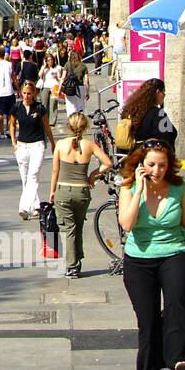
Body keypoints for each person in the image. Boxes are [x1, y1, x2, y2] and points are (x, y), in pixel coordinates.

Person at [118, 140, 185, 370]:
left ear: (170, 166)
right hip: (139, 261)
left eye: (162, 165)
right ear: (140, 165)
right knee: (148, 319)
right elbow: (127, 224)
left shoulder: (179, 188)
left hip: (175, 253)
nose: (157, 170)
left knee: (176, 305)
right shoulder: (129, 187)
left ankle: (179, 361)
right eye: (151, 165)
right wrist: (140, 191)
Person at [48, 112, 114, 278]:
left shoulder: (61, 145)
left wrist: (52, 191)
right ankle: (77, 258)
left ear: (68, 127)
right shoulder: (90, 145)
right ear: (85, 128)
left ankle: (71, 266)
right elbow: (108, 163)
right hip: (82, 190)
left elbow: (55, 170)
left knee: (68, 228)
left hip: (64, 189)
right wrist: (93, 175)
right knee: (78, 226)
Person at [10, 81, 56, 221]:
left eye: (29, 93)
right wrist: (14, 143)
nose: (26, 96)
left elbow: (47, 127)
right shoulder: (17, 107)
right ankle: (35, 205)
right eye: (24, 93)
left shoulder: (40, 108)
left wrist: (53, 143)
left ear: (34, 94)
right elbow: (11, 125)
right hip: (22, 145)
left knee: (33, 175)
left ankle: (23, 207)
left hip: (37, 144)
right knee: (25, 177)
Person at [120, 78, 178, 150]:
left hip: (132, 156)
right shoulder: (158, 114)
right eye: (163, 92)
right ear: (158, 92)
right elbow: (165, 139)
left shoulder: (132, 111)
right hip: (152, 155)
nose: (164, 95)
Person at [0, 47, 16, 140]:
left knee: (0, 114)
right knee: (9, 113)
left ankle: (1, 132)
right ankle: (8, 129)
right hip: (9, 91)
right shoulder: (9, 64)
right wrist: (18, 89)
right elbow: (13, 77)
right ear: (4, 54)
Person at [58, 49, 90, 118]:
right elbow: (87, 80)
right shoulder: (83, 65)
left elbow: (63, 78)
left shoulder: (67, 64)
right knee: (80, 108)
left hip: (70, 88)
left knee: (70, 107)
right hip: (80, 88)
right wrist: (87, 91)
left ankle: (72, 123)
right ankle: (79, 122)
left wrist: (59, 89)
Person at [38, 52, 62, 126]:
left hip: (54, 86)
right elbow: (40, 75)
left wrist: (57, 78)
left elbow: (60, 78)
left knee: (53, 104)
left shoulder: (57, 68)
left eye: (51, 60)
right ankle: (45, 119)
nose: (50, 62)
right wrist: (45, 66)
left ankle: (52, 121)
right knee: (44, 104)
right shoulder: (44, 68)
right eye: (48, 60)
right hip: (46, 86)